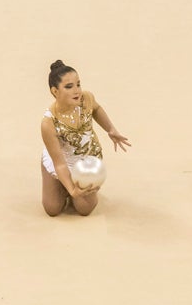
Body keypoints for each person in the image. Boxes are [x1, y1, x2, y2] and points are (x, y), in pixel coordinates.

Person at [40, 59, 131, 216]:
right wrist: (72, 190)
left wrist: (110, 129)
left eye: (78, 84)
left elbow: (96, 109)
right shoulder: (48, 122)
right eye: (69, 87)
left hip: (85, 160)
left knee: (84, 209)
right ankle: (60, 184)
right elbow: (60, 164)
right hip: (62, 160)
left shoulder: (86, 98)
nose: (77, 91)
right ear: (55, 91)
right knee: (52, 209)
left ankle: (68, 185)